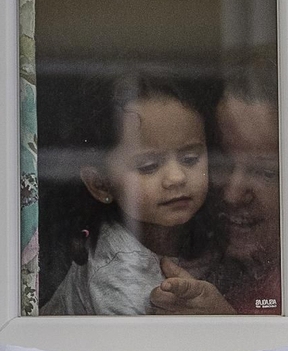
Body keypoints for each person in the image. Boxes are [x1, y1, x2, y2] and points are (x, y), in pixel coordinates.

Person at [43, 73, 233, 316]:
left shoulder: (209, 227)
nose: (176, 177)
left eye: (190, 159)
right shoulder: (115, 275)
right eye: (148, 166)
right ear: (101, 184)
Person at [149, 56, 281, 315]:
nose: (232, 194)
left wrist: (221, 329)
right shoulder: (193, 253)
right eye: (221, 163)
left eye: (266, 172)